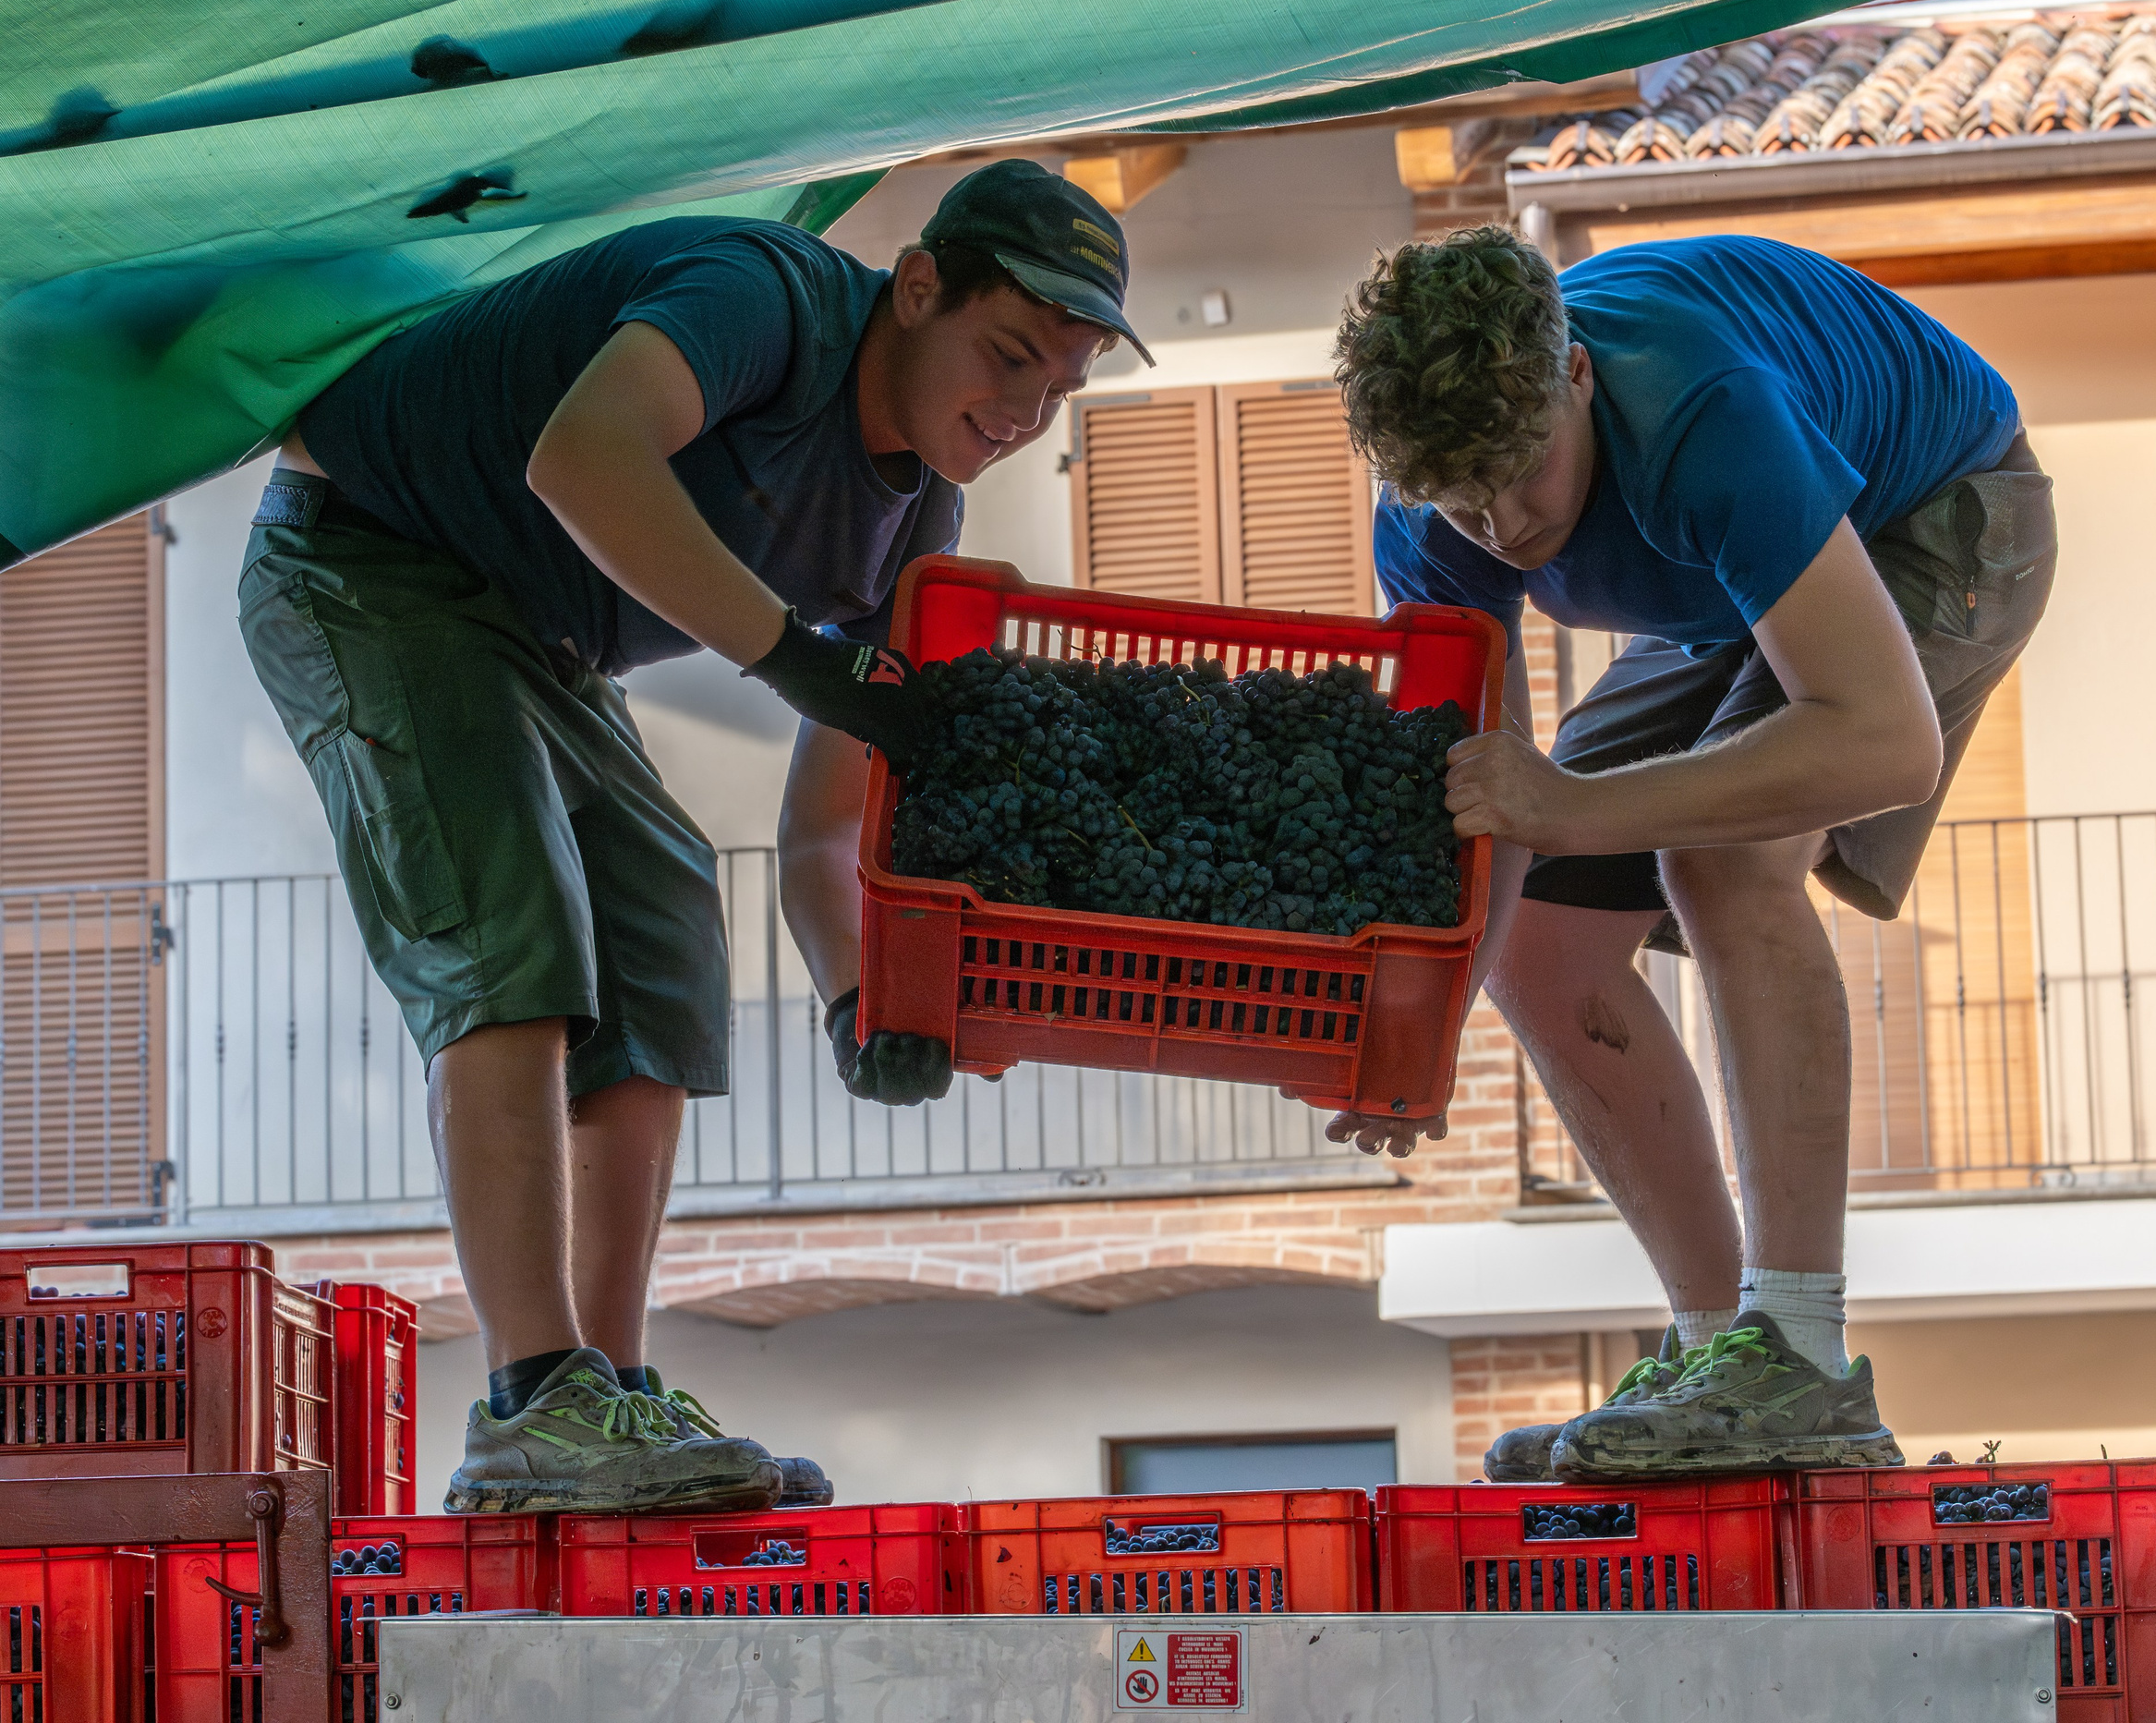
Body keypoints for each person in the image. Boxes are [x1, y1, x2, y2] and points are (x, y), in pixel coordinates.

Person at [238, 160, 1149, 1512]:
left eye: (1057, 391)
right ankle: (531, 1404)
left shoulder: (919, 527)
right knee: (513, 922)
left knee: (664, 903)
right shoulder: (761, 296)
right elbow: (581, 455)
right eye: (1007, 355)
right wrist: (790, 654)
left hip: (532, 635)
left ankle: (605, 1389)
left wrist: (861, 1000)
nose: (1022, 412)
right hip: (365, 557)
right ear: (915, 289)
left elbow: (826, 826)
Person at [1325, 227, 2053, 1474]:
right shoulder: (1435, 511)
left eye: (1517, 476)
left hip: (1936, 512)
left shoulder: (1706, 413)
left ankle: (1804, 1358)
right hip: (1732, 584)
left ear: (1578, 380)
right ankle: (1725, 1355)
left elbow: (1883, 742)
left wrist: (1574, 810)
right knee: (1543, 949)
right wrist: (1411, 1038)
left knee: (1726, 862)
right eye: (1459, 497)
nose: (1498, 526)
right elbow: (1498, 812)